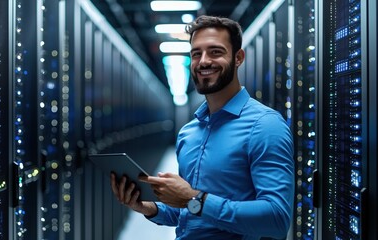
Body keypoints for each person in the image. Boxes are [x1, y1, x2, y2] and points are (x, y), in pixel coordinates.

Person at [110, 15, 294, 240]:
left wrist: (193, 198)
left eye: (215, 52)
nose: (204, 61)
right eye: (196, 53)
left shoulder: (265, 125)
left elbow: (277, 219)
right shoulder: (189, 133)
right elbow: (190, 213)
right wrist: (149, 207)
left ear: (238, 58)